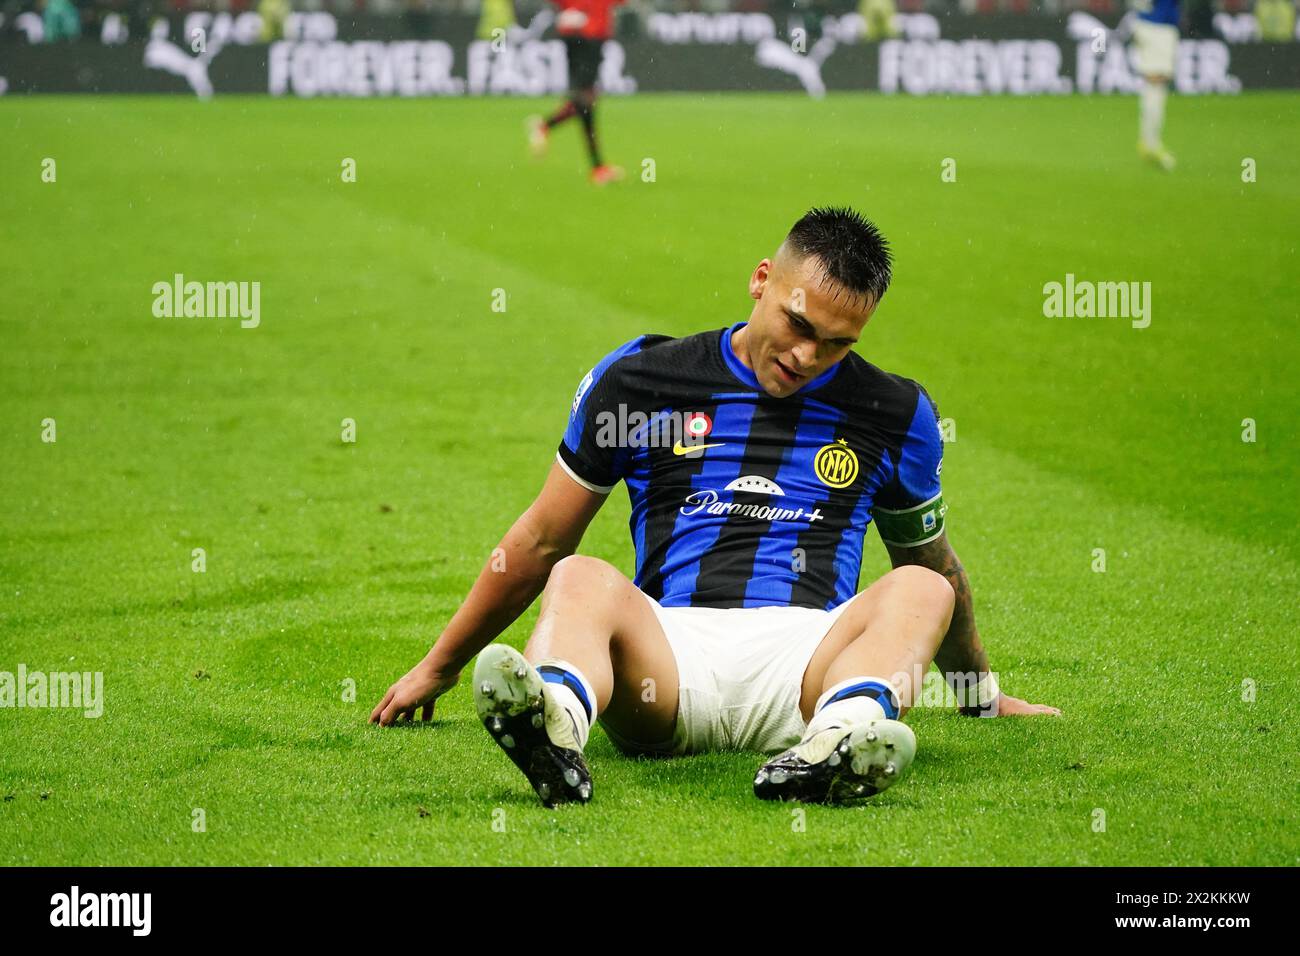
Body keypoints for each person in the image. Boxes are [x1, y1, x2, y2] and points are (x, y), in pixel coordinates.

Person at [371, 207, 1060, 807]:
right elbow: (543, 538)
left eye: (837, 344)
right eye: (797, 323)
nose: (805, 355)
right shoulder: (642, 379)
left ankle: (838, 743)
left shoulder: (895, 411)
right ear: (762, 280)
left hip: (809, 672)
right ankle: (556, 731)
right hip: (668, 661)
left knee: (921, 585)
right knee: (578, 574)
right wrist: (440, 665)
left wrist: (977, 693)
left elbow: (931, 562)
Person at [527, 0, 625, 185]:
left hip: (573, 34)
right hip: (590, 35)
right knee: (586, 99)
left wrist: (571, 12)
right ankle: (597, 168)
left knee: (585, 99)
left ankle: (545, 126)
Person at [1131, 0, 1182, 171]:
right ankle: (1150, 142)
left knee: (1154, 86)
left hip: (1149, 23)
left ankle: (1149, 141)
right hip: (1158, 26)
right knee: (1156, 85)